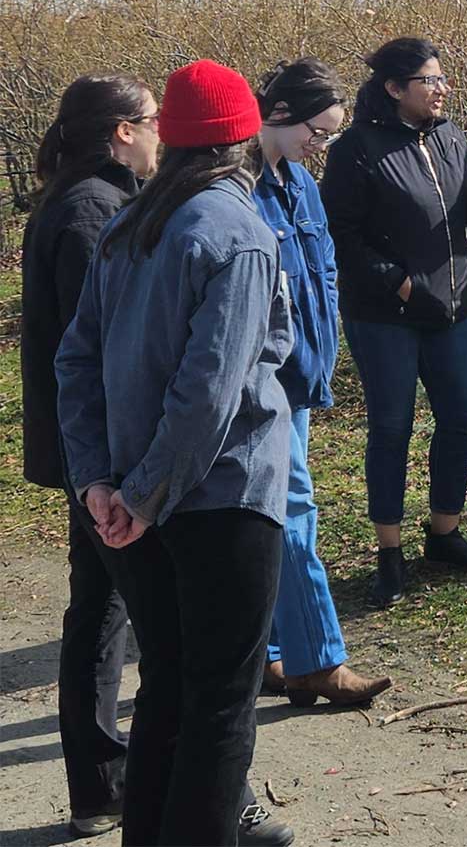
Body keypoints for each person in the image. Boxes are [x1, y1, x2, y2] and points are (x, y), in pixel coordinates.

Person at [55, 60, 296, 847]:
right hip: (217, 501)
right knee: (221, 709)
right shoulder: (238, 233)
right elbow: (210, 395)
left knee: (166, 691)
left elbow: (75, 363)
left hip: (134, 501)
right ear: (243, 137)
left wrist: (101, 481)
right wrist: (142, 490)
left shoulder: (132, 224)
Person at [320, 37, 467, 607]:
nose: (442, 88)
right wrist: (397, 281)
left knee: (461, 419)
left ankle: (444, 535)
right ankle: (389, 553)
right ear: (396, 89)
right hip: (385, 316)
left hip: (453, 309)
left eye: (443, 80)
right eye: (430, 81)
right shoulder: (356, 149)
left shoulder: (448, 137)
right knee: (392, 428)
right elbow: (340, 234)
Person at [20, 74, 157, 837]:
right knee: (114, 612)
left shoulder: (88, 199)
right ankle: (107, 782)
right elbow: (92, 349)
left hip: (90, 449)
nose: (162, 131)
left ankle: (99, 784)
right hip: (100, 452)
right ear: (121, 132)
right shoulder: (90, 212)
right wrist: (109, 468)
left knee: (99, 611)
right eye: (152, 120)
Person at [252, 60, 390, 707]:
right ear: (280, 116)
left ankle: (273, 655)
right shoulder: (238, 190)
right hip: (262, 384)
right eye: (319, 130)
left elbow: (325, 270)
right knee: (294, 513)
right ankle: (319, 661)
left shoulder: (303, 185)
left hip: (301, 378)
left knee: (279, 515)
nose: (323, 144)